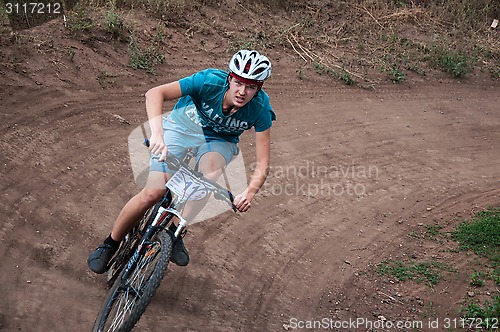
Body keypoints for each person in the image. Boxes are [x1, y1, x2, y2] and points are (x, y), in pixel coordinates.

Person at [87, 50, 275, 273]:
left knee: (209, 176)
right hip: (182, 127)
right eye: (238, 83)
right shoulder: (208, 81)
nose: (242, 91)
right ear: (229, 78)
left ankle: (176, 231)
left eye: (251, 86)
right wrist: (157, 133)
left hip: (219, 141)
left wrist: (249, 193)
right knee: (153, 193)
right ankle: (110, 243)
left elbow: (263, 162)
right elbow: (155, 93)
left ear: (259, 88)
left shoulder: (261, 108)